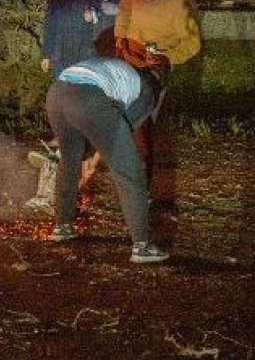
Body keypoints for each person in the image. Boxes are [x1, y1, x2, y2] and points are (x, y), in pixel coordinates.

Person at [45, 55, 170, 264]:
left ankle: (61, 227)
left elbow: (106, 126)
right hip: (88, 100)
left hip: (56, 94)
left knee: (69, 161)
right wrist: (101, 152)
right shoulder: (148, 90)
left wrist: (93, 149)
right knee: (130, 171)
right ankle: (142, 246)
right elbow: (124, 129)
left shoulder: (121, 69)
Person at [114, 0, 201, 204]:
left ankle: (143, 187)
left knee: (143, 123)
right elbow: (124, 11)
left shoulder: (177, 3)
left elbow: (193, 43)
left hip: (156, 65)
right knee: (122, 117)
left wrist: (167, 57)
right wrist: (120, 36)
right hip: (131, 55)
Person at [42, 0, 103, 79]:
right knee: (62, 89)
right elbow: (49, 29)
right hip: (60, 55)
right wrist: (46, 55)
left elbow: (99, 14)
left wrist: (93, 16)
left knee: (84, 87)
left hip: (84, 54)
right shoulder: (55, 3)